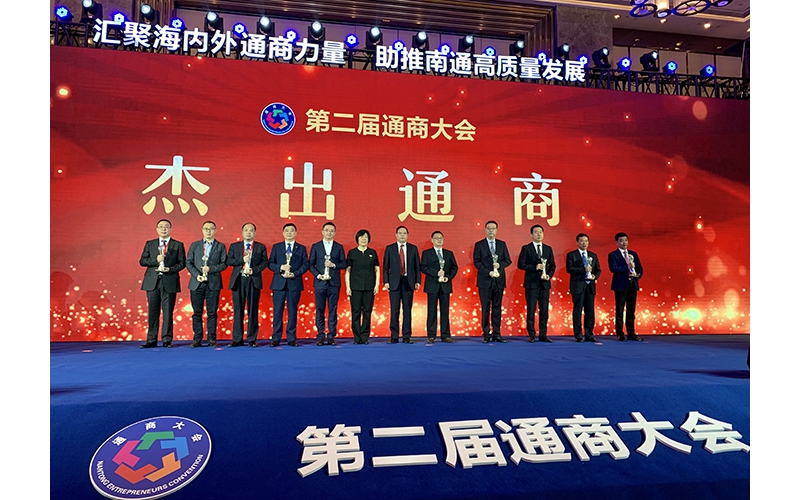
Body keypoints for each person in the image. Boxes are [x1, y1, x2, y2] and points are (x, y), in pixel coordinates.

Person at [139, 219, 186, 348]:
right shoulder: (150, 244)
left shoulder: (178, 245)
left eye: (166, 226)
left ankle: (167, 340)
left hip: (169, 281)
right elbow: (142, 261)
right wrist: (156, 260)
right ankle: (151, 339)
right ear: (157, 229)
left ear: (170, 229)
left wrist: (169, 269)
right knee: (152, 311)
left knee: (168, 312)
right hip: (152, 282)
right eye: (161, 226)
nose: (164, 229)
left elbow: (182, 263)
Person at [186, 221, 228, 348]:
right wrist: (196, 275)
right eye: (206, 229)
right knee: (197, 313)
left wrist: (210, 269)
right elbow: (189, 262)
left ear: (215, 230)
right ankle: (197, 339)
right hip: (197, 283)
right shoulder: (195, 245)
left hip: (213, 283)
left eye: (211, 229)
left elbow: (224, 264)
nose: (208, 231)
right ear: (202, 230)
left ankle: (212, 339)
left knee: (212, 313)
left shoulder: (220, 246)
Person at [226, 222, 268, 347]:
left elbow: (265, 262)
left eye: (251, 230)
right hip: (238, 280)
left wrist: (254, 270)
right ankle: (237, 339)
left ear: (255, 232)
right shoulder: (234, 246)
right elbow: (228, 260)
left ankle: (252, 339)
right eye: (246, 230)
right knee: (238, 310)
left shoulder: (260, 247)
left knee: (252, 310)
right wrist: (241, 260)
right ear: (242, 232)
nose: (248, 232)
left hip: (253, 280)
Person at [268, 223, 309, 347]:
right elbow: (270, 264)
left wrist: (295, 274)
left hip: (294, 283)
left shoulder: (301, 248)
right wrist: (281, 267)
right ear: (283, 233)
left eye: (292, 230)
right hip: (278, 284)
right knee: (277, 312)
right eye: (287, 230)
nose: (289, 232)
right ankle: (276, 338)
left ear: (296, 233)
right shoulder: (277, 247)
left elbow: (305, 265)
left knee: (292, 311)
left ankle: (291, 338)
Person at [473, 220, 512, 343]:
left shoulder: (502, 244)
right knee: (485, 308)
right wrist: (488, 272)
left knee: (497, 308)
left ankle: (497, 334)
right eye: (489, 228)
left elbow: (508, 260)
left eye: (493, 228)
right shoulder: (479, 244)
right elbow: (477, 262)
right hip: (484, 281)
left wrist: (499, 265)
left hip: (499, 281)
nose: (491, 230)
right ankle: (486, 334)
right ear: (485, 230)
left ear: (496, 230)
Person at [309, 222, 347, 346]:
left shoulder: (339, 247)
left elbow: (344, 263)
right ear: (322, 231)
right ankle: (320, 335)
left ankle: (331, 335)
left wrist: (333, 265)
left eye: (331, 230)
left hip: (334, 283)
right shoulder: (316, 246)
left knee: (333, 309)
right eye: (326, 230)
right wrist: (318, 275)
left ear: (335, 232)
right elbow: (311, 264)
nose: (329, 232)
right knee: (320, 309)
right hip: (320, 282)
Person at [517, 224, 556, 343]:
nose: (539, 234)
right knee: (531, 310)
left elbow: (552, 265)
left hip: (544, 284)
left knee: (544, 310)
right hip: (531, 284)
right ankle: (532, 335)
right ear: (531, 234)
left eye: (540, 232)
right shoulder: (526, 248)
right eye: (536, 232)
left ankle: (543, 334)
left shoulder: (548, 249)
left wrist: (549, 275)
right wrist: (535, 267)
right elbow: (521, 264)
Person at [383, 225, 421, 344]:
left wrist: (418, 281)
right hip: (394, 283)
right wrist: (386, 281)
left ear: (407, 235)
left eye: (404, 233)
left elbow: (417, 267)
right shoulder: (390, 248)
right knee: (394, 310)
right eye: (400, 233)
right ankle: (394, 336)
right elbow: (385, 267)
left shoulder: (413, 248)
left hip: (408, 282)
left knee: (407, 310)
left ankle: (406, 336)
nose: (402, 235)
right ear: (396, 235)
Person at [420, 231, 458, 343]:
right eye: (436, 238)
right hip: (432, 285)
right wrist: (436, 273)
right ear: (432, 240)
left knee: (445, 312)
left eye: (440, 238)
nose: (439, 240)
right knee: (431, 311)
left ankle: (445, 335)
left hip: (445, 286)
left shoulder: (449, 253)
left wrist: (448, 277)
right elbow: (423, 267)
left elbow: (454, 267)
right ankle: (431, 335)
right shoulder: (427, 253)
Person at [345, 229, 381, 344]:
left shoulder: (372, 253)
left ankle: (365, 337)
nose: (363, 239)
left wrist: (377, 284)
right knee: (355, 312)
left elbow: (377, 269)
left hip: (369, 287)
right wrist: (348, 287)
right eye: (361, 237)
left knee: (367, 312)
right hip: (355, 287)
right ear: (357, 239)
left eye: (365, 237)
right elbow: (348, 271)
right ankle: (357, 337)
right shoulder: (352, 253)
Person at [608, 232, 644, 342]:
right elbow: (613, 268)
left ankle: (631, 333)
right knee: (619, 310)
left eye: (626, 240)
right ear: (616, 242)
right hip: (620, 285)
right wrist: (627, 267)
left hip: (632, 284)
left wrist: (637, 275)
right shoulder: (613, 255)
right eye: (621, 241)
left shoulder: (633, 254)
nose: (624, 243)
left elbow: (640, 268)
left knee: (631, 310)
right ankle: (620, 333)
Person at [566, 233, 601, 343]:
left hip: (590, 287)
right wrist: (583, 270)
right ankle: (578, 335)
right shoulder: (572, 255)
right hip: (578, 286)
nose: (584, 243)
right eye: (581, 241)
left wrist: (594, 276)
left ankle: (589, 334)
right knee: (577, 311)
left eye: (586, 241)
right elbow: (569, 269)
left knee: (590, 311)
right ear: (577, 242)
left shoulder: (593, 255)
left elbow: (598, 270)